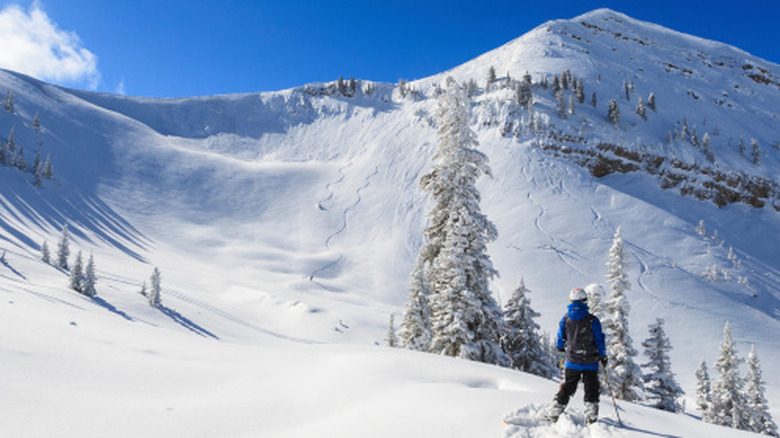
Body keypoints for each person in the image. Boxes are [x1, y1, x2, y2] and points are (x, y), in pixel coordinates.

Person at [546, 287, 607, 424]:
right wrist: (603, 356)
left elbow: (560, 337)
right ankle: (591, 416)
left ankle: (554, 411)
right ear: (583, 301)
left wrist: (560, 347)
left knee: (568, 387)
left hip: (572, 361)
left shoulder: (566, 319)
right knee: (591, 388)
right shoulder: (592, 320)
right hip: (590, 361)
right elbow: (599, 340)